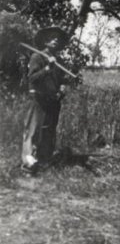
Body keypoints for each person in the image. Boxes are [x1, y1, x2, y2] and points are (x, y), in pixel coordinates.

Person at [21, 26, 68, 175]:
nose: (55, 40)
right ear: (45, 41)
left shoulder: (59, 59)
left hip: (53, 101)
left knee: (48, 131)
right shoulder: (37, 57)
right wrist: (48, 68)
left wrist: (62, 88)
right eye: (51, 38)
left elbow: (62, 79)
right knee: (33, 132)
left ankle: (43, 161)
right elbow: (33, 79)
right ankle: (28, 166)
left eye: (57, 38)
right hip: (38, 100)